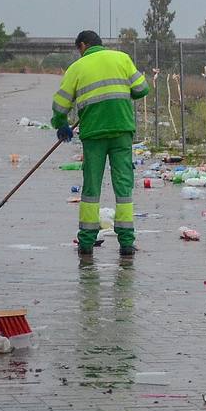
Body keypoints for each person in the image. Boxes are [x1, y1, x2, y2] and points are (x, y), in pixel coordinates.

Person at [50, 31, 149, 257]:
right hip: (122, 130)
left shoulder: (77, 68)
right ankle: (126, 243)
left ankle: (86, 242)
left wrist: (61, 124)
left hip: (94, 134)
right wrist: (121, 98)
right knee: (123, 187)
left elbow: (59, 105)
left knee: (91, 187)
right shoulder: (121, 58)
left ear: (83, 46)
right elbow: (142, 89)